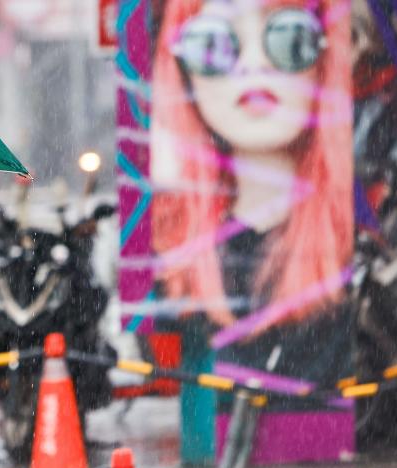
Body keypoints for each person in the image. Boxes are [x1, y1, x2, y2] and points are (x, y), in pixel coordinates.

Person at [150, 0, 353, 391]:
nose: (255, 64)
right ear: (179, 71)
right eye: (211, 43)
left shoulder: (358, 245)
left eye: (289, 35)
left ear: (327, 55)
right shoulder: (174, 255)